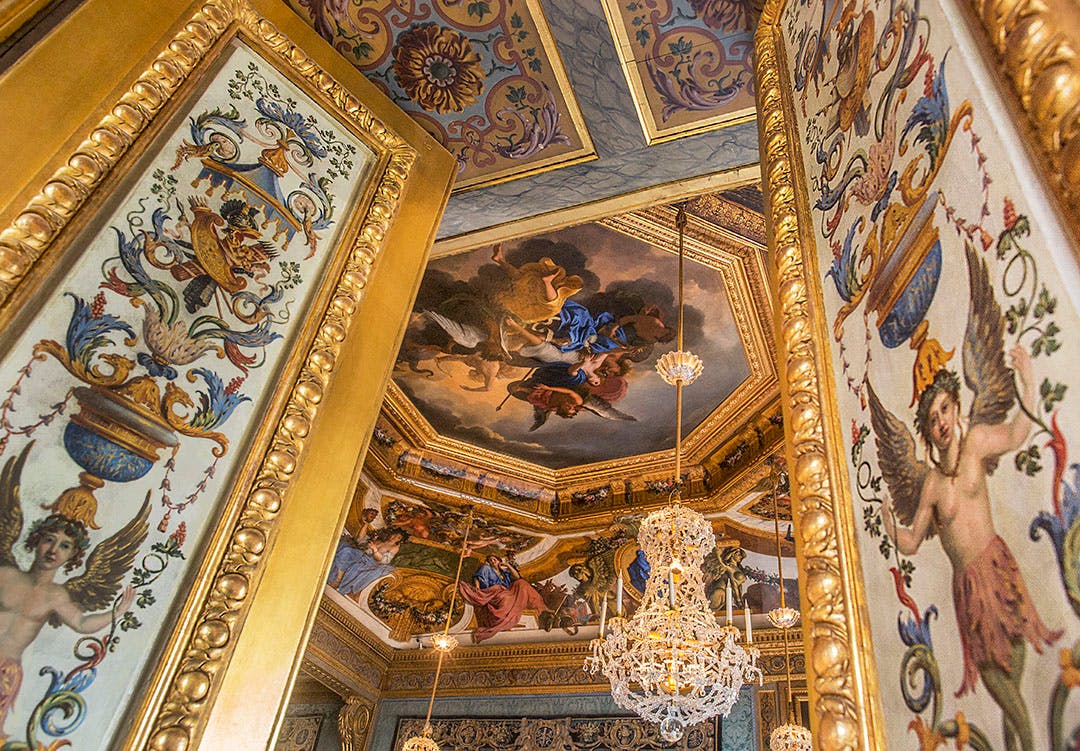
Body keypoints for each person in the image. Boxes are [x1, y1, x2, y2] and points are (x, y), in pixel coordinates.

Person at [874, 349, 1062, 751]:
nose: (941, 421)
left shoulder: (975, 443)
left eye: (945, 409)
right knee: (995, 680)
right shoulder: (932, 485)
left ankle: (1021, 744)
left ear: (956, 406)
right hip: (969, 588)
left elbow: (1016, 434)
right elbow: (911, 541)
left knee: (1012, 672)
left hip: (996, 567)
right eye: (932, 419)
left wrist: (1028, 380)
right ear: (927, 431)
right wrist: (887, 523)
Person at [0, 515, 136, 739]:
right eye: (49, 540)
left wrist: (117, 612)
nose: (53, 550)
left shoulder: (55, 596)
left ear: (73, 555)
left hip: (5, 671)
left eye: (64, 546)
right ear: (36, 540)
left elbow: (81, 624)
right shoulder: (6, 576)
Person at [458, 555, 551, 642]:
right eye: (490, 560)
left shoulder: (504, 572)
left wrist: (508, 565)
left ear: (499, 561)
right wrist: (478, 589)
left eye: (494, 559)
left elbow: (517, 577)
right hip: (494, 592)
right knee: (505, 598)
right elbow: (477, 578)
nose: (492, 561)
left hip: (507, 591)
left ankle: (543, 611)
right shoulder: (486, 568)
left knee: (522, 583)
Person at [329, 527, 407, 598]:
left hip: (371, 562)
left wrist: (374, 550)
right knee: (345, 550)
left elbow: (383, 560)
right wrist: (365, 525)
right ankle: (337, 578)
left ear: (400, 540)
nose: (394, 537)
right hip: (362, 555)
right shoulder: (382, 541)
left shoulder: (394, 548)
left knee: (348, 553)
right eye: (394, 535)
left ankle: (338, 580)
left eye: (398, 537)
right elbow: (361, 540)